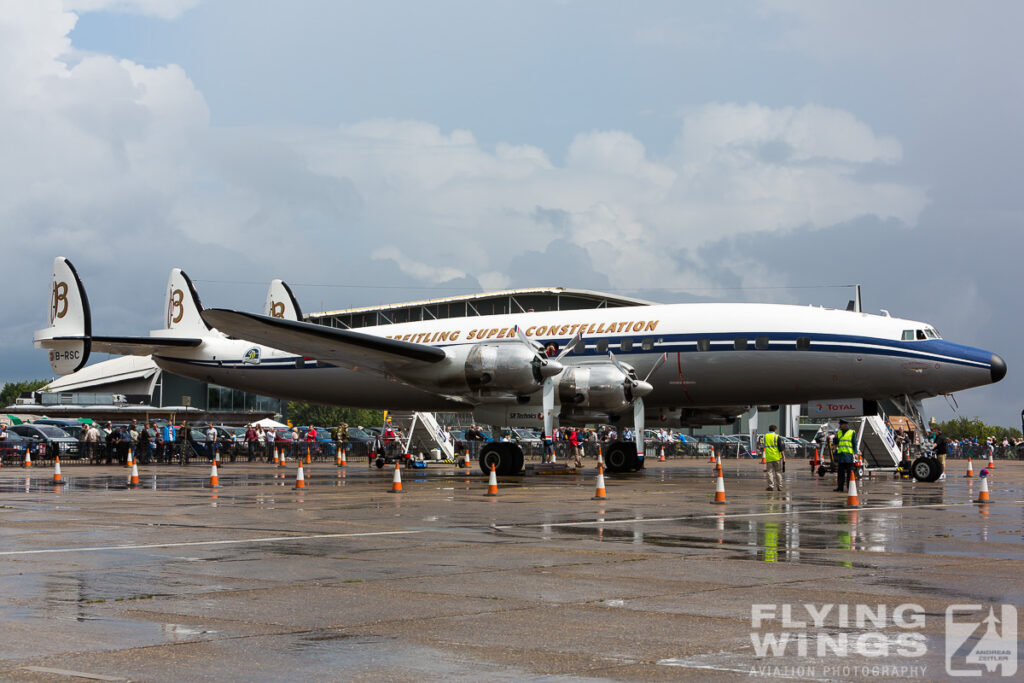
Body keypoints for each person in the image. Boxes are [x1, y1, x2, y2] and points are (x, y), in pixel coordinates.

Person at [833, 419, 857, 492]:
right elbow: (836, 442)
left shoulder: (852, 432)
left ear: (845, 425)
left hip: (848, 456)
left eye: (841, 424)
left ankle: (849, 488)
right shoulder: (839, 432)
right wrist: (835, 437)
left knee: (849, 473)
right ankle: (840, 488)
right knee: (840, 473)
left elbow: (854, 443)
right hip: (841, 456)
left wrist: (855, 453)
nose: (840, 426)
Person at [762, 424, 785, 491]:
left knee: (769, 472)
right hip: (777, 457)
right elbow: (781, 448)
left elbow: (763, 445)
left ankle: (770, 486)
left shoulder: (765, 436)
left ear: (769, 429)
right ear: (775, 430)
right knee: (778, 472)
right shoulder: (777, 436)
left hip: (769, 457)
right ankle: (779, 486)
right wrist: (783, 456)